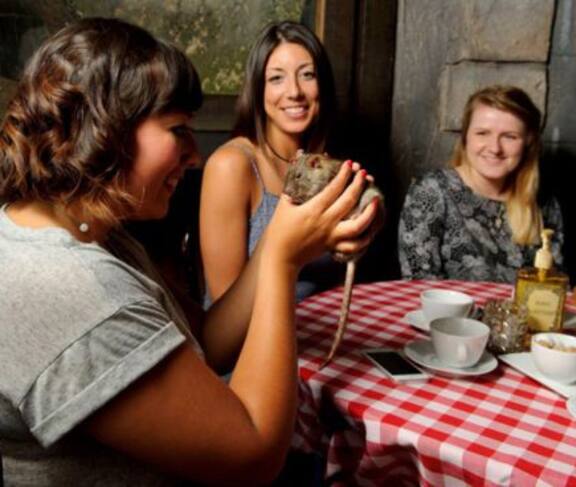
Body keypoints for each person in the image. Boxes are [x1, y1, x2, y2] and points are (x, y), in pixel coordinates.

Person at [0, 17, 380, 485]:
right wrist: (282, 261)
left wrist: (283, 243)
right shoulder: (71, 290)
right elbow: (255, 457)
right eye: (177, 129)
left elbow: (206, 344)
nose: (195, 154)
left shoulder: (96, 234)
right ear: (104, 128)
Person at [199, 20, 342, 305]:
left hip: (321, 322)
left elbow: (337, 276)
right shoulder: (231, 166)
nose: (294, 91)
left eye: (307, 75)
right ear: (258, 88)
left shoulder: (324, 164)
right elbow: (226, 310)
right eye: (277, 78)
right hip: (253, 331)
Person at [398, 85, 564, 283]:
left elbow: (552, 285)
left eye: (510, 136)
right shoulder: (432, 191)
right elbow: (419, 283)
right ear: (466, 137)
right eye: (482, 133)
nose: (495, 148)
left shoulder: (543, 202)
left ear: (528, 142)